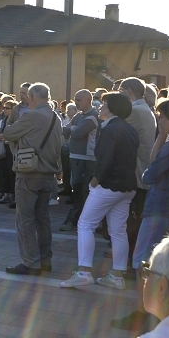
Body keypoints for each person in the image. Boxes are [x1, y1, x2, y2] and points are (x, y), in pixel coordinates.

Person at [112, 96, 169, 332]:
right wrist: (163, 135)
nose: (159, 121)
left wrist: (163, 139)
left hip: (160, 206)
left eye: (162, 117)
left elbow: (148, 174)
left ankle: (144, 314)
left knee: (144, 260)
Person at [60, 93, 139, 290]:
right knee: (118, 230)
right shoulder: (130, 129)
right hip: (127, 186)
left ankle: (83, 272)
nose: (101, 106)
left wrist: (95, 180)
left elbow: (104, 158)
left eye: (104, 104)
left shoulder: (110, 128)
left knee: (85, 224)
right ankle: (117, 275)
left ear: (111, 108)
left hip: (108, 185)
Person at [3, 83, 63, 275]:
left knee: (25, 219)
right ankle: (46, 260)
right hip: (48, 174)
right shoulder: (56, 117)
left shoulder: (31, 115)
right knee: (43, 219)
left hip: (29, 172)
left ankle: (31, 262)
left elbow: (9, 133)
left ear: (32, 97)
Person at [120, 77, 158, 272]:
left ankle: (129, 264)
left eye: (120, 91)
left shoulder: (135, 110)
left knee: (132, 222)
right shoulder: (145, 109)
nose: (118, 95)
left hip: (136, 173)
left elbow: (115, 130)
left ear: (128, 91)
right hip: (141, 172)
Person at [59, 90, 99, 232]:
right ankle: (79, 220)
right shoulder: (79, 115)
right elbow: (64, 130)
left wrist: (73, 128)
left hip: (86, 159)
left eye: (79, 100)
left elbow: (77, 133)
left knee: (82, 191)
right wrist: (72, 128)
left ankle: (75, 220)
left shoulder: (93, 116)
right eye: (75, 100)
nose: (76, 102)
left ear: (88, 100)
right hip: (75, 157)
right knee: (77, 189)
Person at [0, 101, 16, 205]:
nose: (5, 110)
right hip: (3, 147)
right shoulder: (2, 120)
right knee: (3, 171)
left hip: (12, 148)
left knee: (12, 171)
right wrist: (5, 136)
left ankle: (12, 193)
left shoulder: (16, 121)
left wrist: (4, 135)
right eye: (4, 108)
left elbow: (14, 135)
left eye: (8, 108)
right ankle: (5, 193)